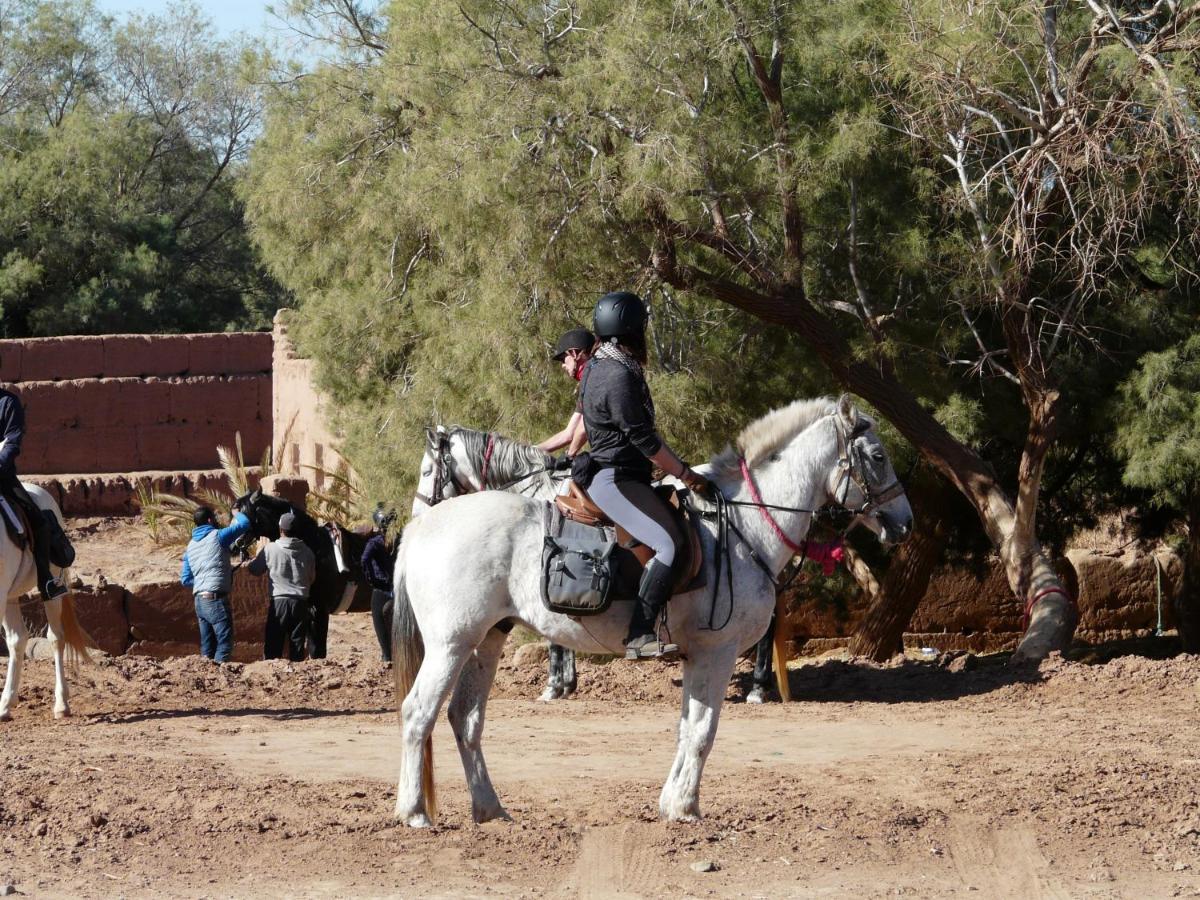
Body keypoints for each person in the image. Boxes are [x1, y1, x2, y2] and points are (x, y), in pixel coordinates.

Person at [576, 291, 708, 660]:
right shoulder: (618, 373)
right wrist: (686, 474)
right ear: (633, 331)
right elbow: (644, 439)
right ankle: (639, 634)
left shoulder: (597, 368)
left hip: (623, 475)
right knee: (670, 545)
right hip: (615, 479)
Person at [0, 380, 68, 600]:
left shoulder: (8, 403)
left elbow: (12, 442)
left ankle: (46, 579)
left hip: (3, 477)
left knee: (37, 520)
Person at [180, 503, 252, 663]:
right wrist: (236, 513)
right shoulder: (218, 536)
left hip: (199, 601)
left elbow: (185, 579)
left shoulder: (190, 547)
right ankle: (221, 678)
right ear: (210, 520)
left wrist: (203, 581)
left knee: (207, 647)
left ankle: (207, 680)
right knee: (224, 644)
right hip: (215, 600)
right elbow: (245, 524)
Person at [249, 510, 316, 662]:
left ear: (280, 529)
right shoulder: (308, 552)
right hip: (300, 602)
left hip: (279, 603)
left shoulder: (270, 549)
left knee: (273, 645)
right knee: (297, 646)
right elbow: (311, 578)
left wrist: (259, 553)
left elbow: (254, 570)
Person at [536, 327, 594, 457]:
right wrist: (530, 451)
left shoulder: (594, 377)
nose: (562, 365)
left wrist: (570, 454)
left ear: (574, 353)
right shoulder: (587, 381)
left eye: (563, 359)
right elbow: (569, 433)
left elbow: (586, 426)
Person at [361, 506, 397, 665]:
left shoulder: (374, 543)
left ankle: (386, 655)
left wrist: (370, 577)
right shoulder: (399, 539)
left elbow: (364, 559)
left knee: (378, 620)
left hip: (381, 587)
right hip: (397, 586)